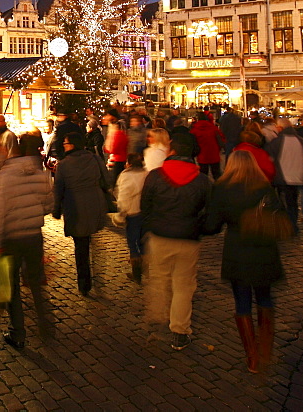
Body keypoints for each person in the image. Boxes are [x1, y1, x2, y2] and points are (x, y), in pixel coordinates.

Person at [205, 151, 283, 374]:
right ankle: (266, 350)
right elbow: (279, 215)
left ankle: (252, 356)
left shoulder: (223, 189)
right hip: (264, 249)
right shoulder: (264, 187)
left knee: (242, 302)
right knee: (265, 298)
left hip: (238, 251)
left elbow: (212, 225)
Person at [140, 136, 214, 351]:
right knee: (183, 285)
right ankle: (179, 331)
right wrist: (199, 229)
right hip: (187, 238)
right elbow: (210, 214)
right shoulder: (201, 181)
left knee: (160, 278)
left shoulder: (155, 176)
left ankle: (157, 319)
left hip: (160, 236)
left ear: (171, 151)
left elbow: (145, 206)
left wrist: (150, 226)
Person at [0, 133, 54, 348]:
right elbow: (49, 205)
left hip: (10, 238)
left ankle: (18, 332)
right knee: (35, 281)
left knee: (12, 286)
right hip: (34, 235)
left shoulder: (2, 177)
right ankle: (45, 322)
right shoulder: (41, 174)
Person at [53, 131, 109, 296]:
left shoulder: (63, 164)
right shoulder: (94, 158)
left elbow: (58, 190)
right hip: (95, 203)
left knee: (81, 245)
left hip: (75, 206)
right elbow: (106, 180)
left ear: (73, 145)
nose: (64, 146)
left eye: (66, 143)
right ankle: (94, 275)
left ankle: (84, 282)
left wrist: (56, 209)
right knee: (91, 236)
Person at [266, 118, 303, 231]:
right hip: (297, 177)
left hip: (283, 178)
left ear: (280, 128)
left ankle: (287, 226)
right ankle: (293, 224)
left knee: (284, 203)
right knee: (292, 203)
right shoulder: (302, 141)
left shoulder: (277, 142)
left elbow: (269, 158)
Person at [116, 152, 149, 283]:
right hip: (145, 212)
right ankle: (145, 268)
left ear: (129, 164)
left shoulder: (126, 176)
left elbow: (124, 196)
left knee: (132, 242)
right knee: (143, 240)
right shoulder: (146, 174)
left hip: (133, 213)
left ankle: (137, 273)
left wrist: (121, 213)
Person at [190, 111, 224, 180]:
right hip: (214, 154)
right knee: (216, 175)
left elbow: (193, 143)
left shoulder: (194, 130)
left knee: (203, 175)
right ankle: (219, 189)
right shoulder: (213, 128)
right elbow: (220, 140)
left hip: (202, 156)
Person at [102, 109, 129, 186]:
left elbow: (112, 148)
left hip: (117, 160)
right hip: (119, 159)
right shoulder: (119, 134)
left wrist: (107, 148)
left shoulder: (117, 134)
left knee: (114, 180)